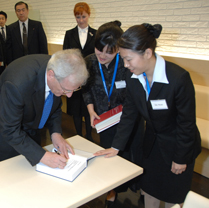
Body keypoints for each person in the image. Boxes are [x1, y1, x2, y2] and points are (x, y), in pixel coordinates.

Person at [94, 23, 201, 208]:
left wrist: (181, 158)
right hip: (152, 146)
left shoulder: (178, 78)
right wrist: (116, 147)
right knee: (149, 191)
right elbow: (129, 114)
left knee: (172, 198)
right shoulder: (133, 78)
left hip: (178, 146)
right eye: (123, 59)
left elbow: (187, 124)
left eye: (129, 59)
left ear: (148, 53)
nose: (126, 65)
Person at [0, 49, 89, 168]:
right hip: (4, 129)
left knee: (33, 168)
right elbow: (10, 130)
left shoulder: (60, 71)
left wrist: (55, 133)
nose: (69, 95)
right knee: (11, 173)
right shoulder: (17, 84)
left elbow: (54, 106)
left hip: (30, 121)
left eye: (74, 90)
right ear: (51, 75)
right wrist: (42, 156)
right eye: (66, 90)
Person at [82, 20, 144, 207]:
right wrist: (91, 110)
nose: (102, 55)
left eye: (109, 52)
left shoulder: (126, 63)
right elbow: (86, 89)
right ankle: (112, 192)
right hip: (104, 119)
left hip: (129, 118)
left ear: (118, 49)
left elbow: (136, 92)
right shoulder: (90, 62)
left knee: (135, 154)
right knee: (109, 156)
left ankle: (141, 188)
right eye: (100, 49)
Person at [63, 2, 96, 141]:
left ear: (88, 15)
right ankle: (79, 135)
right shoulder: (69, 34)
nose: (81, 20)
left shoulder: (96, 33)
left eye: (83, 16)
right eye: (78, 17)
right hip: (74, 76)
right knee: (76, 107)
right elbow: (65, 55)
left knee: (88, 107)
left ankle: (89, 136)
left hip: (91, 76)